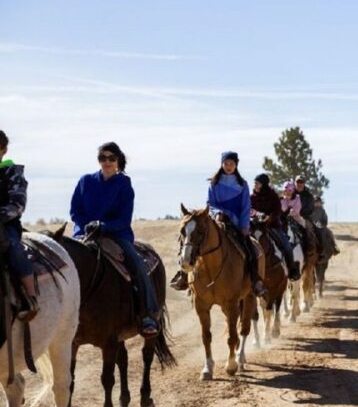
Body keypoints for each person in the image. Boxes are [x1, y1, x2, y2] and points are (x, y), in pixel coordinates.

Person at [70, 142, 159, 337]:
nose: (107, 162)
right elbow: (75, 210)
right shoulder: (86, 181)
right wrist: (84, 228)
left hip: (116, 235)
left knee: (137, 265)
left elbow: (124, 218)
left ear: (118, 160)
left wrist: (103, 226)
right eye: (103, 158)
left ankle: (148, 315)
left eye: (111, 158)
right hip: (84, 235)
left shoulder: (123, 184)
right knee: (63, 264)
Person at [172, 152, 266, 296]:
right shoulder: (214, 183)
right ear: (222, 164)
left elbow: (246, 206)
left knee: (251, 250)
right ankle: (184, 275)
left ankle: (256, 281)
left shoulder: (243, 184)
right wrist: (217, 214)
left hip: (236, 224)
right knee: (193, 242)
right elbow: (210, 203)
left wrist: (244, 226)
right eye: (226, 164)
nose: (229, 167)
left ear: (236, 165)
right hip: (217, 221)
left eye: (232, 164)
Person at [0, 130, 39, 321]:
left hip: (5, 226)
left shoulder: (13, 173)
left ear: (3, 150)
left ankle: (29, 297)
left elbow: (17, 204)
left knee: (14, 249)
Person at [251, 173, 300, 280]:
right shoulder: (251, 197)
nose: (255, 185)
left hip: (272, 226)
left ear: (263, 184)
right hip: (255, 226)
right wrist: (255, 215)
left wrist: (269, 218)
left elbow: (277, 210)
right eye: (254, 183)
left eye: (257, 183)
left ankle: (292, 269)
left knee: (286, 245)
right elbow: (249, 210)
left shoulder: (273, 196)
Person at [295, 175, 323, 253]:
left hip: (305, 218)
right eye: (298, 182)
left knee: (317, 230)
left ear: (304, 183)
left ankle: (319, 250)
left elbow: (310, 209)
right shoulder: (290, 194)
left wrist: (299, 213)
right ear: (295, 183)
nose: (299, 184)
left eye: (301, 182)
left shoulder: (308, 196)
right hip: (290, 217)